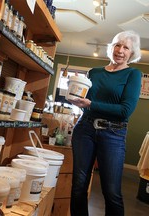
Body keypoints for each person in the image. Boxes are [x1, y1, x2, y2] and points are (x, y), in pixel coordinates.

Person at [68, 30, 142, 216]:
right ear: (111, 47)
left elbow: (125, 111)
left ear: (131, 53)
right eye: (117, 45)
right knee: (78, 184)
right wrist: (75, 93)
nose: (120, 50)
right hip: (84, 128)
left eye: (126, 47)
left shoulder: (133, 74)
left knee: (111, 190)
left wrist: (91, 104)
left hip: (113, 134)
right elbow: (85, 104)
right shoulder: (94, 72)